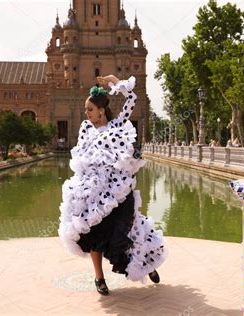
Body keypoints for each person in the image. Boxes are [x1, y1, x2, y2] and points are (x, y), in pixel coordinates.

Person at [58, 75, 167, 296]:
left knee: (129, 228)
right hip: (92, 192)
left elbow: (132, 98)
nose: (87, 114)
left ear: (101, 110)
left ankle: (147, 264)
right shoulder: (85, 129)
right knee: (93, 233)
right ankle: (99, 277)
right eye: (85, 110)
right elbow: (82, 156)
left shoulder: (117, 124)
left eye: (90, 110)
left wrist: (114, 81)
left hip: (117, 189)